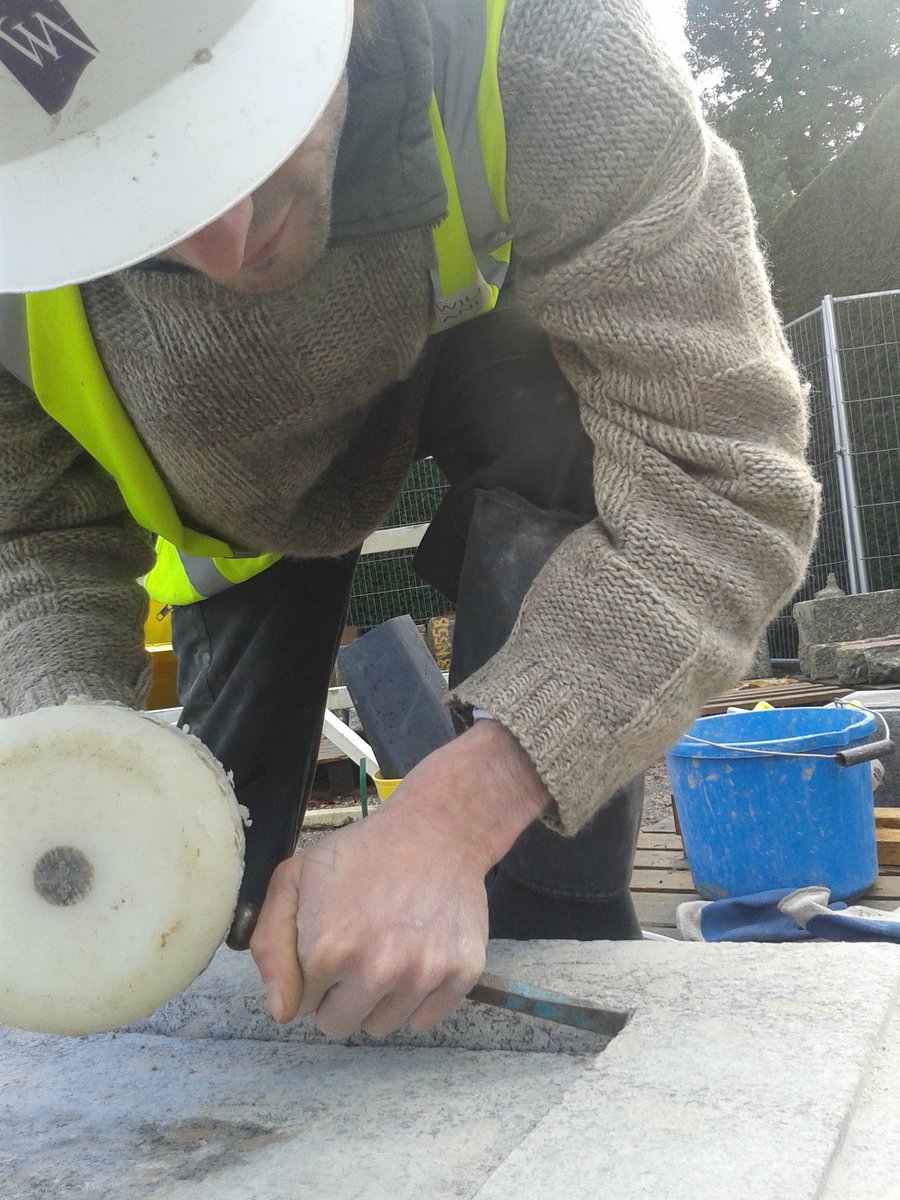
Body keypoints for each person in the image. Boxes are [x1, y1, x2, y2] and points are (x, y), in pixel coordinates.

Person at [0, 0, 819, 1039]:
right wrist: (69, 766)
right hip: (234, 525)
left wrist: (460, 812)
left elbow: (720, 483)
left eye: (242, 126)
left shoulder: (542, 41)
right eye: (137, 204)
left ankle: (556, 929)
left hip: (482, 370)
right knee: (196, 927)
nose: (226, 233)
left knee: (563, 417)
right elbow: (27, 537)